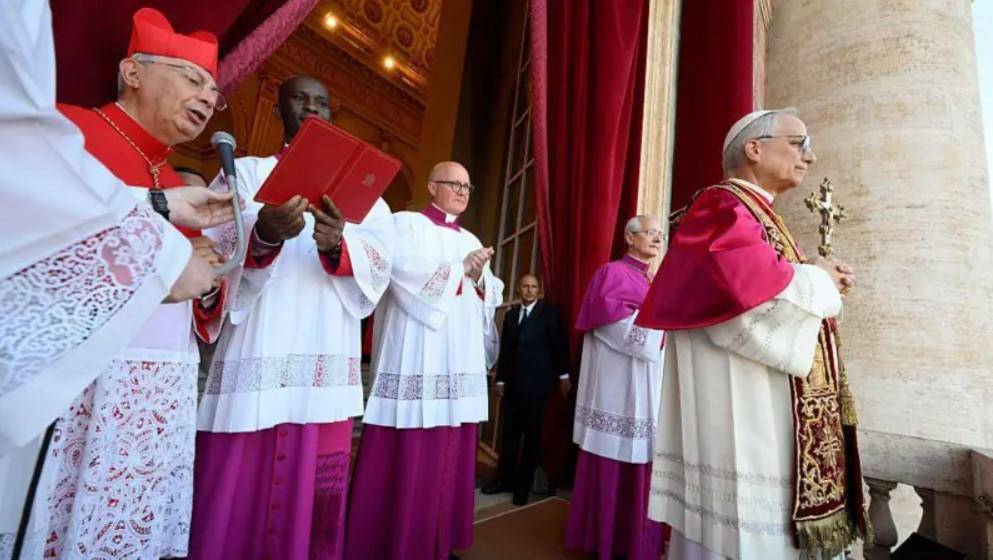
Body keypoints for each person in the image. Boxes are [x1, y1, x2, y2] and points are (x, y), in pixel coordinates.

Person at [0, 2, 236, 555]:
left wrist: (205, 285)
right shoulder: (68, 132)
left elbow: (185, 288)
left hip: (154, 397)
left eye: (213, 90)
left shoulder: (176, 175)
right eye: (192, 78)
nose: (207, 97)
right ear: (134, 72)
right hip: (78, 391)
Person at [637, 109, 868, 559]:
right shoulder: (723, 206)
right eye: (799, 143)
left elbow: (770, 282)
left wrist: (811, 276)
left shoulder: (757, 213)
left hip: (767, 414)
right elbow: (747, 301)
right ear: (754, 148)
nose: (810, 155)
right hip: (746, 421)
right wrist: (818, 281)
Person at [188, 75, 395, 560]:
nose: (311, 108)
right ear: (280, 110)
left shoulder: (368, 199)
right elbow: (209, 258)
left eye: (321, 102)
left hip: (325, 353)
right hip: (258, 346)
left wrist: (338, 244)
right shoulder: (244, 175)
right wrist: (262, 234)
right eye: (300, 100)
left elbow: (382, 264)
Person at [344, 162, 503, 560]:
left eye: (468, 185)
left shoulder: (471, 236)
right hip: (417, 356)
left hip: (457, 360)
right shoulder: (404, 224)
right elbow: (398, 274)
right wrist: (459, 269)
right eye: (455, 184)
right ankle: (392, 541)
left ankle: (436, 540)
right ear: (432, 185)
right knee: (410, 456)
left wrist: (481, 279)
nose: (463, 192)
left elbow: (489, 293)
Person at [564, 215, 667, 559]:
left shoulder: (652, 280)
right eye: (651, 233)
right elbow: (612, 325)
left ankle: (638, 544)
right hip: (618, 391)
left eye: (660, 234)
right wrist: (663, 331)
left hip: (647, 388)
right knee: (616, 469)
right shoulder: (611, 274)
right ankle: (609, 542)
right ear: (629, 236)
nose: (657, 238)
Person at [482, 274, 569, 506]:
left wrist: (564, 376)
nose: (529, 290)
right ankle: (505, 480)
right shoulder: (511, 316)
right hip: (512, 386)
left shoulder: (548, 314)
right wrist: (500, 380)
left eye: (533, 286)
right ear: (519, 289)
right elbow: (506, 350)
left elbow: (558, 347)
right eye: (525, 286)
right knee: (508, 436)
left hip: (537, 386)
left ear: (538, 290)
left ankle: (523, 487)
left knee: (531, 438)